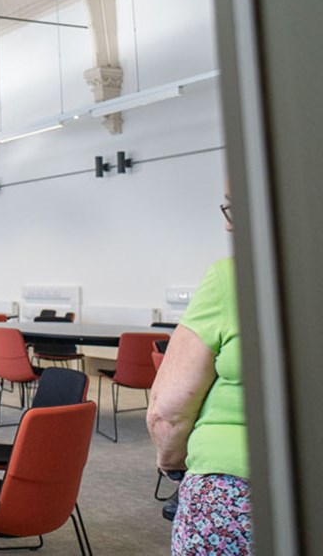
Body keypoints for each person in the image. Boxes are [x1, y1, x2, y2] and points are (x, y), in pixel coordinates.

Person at [147, 195, 251, 554]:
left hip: (231, 491)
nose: (227, 223)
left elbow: (168, 411)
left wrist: (170, 462)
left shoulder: (232, 278)